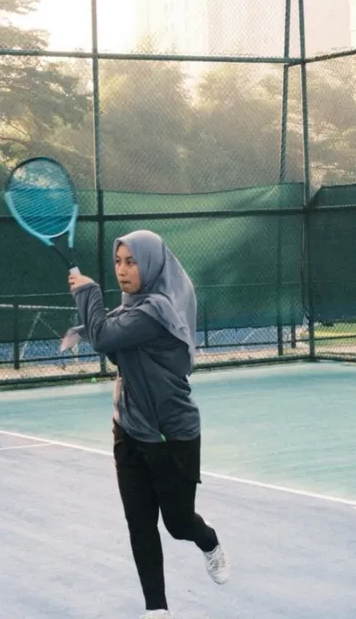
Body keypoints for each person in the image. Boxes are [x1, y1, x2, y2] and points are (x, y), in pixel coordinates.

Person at [66, 229, 229, 619]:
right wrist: (86, 322)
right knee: (139, 522)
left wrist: (87, 292)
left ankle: (208, 540)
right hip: (128, 429)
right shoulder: (131, 309)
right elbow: (110, 335)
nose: (122, 270)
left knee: (178, 523)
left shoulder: (157, 311)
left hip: (172, 434)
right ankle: (157, 609)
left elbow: (104, 337)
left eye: (131, 262)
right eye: (118, 262)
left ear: (152, 265)